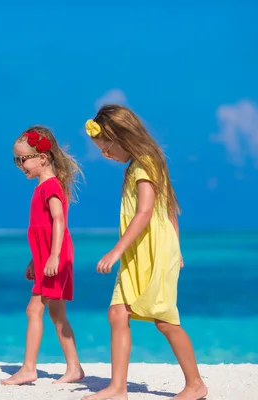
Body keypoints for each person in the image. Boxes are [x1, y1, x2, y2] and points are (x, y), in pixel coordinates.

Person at [82, 105, 207, 400]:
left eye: (107, 148)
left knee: (164, 319)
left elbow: (147, 211)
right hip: (141, 250)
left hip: (152, 252)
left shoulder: (145, 164)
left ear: (121, 138)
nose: (105, 155)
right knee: (117, 313)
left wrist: (115, 251)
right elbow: (170, 210)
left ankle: (195, 384)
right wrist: (177, 244)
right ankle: (117, 388)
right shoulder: (140, 164)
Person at [1, 126, 85, 385]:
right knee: (57, 314)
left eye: (23, 159)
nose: (20, 165)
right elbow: (42, 231)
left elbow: (59, 221)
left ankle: (28, 368)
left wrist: (54, 257)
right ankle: (74, 368)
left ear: (42, 158)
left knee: (33, 309)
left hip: (55, 257)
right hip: (47, 257)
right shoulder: (41, 187)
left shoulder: (50, 186)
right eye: (17, 159)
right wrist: (34, 260)